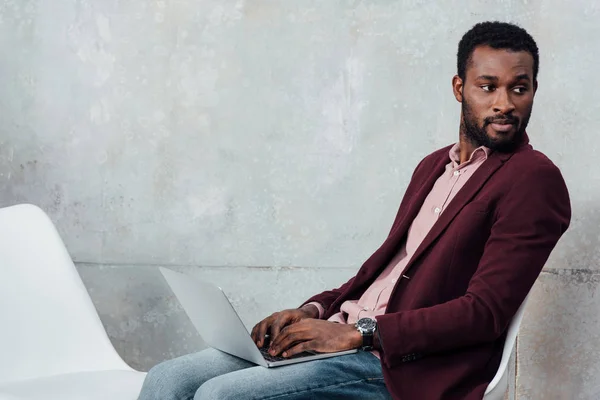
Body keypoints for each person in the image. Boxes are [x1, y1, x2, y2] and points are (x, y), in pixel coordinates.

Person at [138, 21, 571, 400]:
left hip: (402, 366)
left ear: (534, 89)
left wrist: (360, 333)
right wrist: (313, 311)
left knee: (220, 394)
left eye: (520, 87)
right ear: (460, 88)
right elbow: (385, 273)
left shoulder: (532, 178)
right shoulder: (434, 166)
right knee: (170, 379)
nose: (505, 104)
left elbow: (485, 313)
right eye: (488, 86)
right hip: (348, 335)